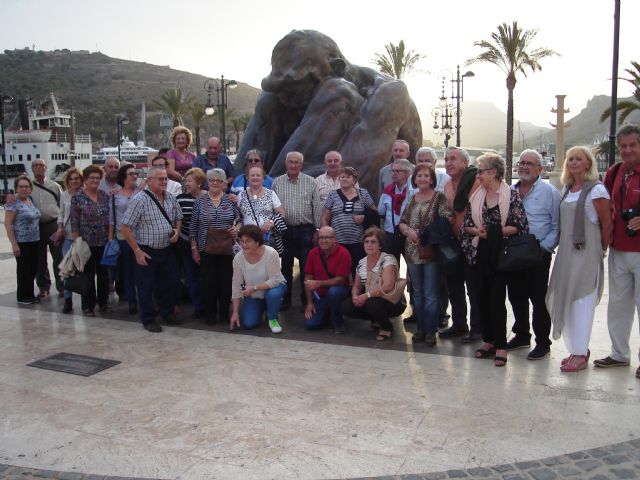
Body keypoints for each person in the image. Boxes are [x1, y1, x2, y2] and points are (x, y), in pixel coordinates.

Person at [235, 29, 422, 195]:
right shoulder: (277, 100)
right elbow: (239, 176)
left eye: (297, 88)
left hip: (364, 203)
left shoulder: (388, 95)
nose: (287, 99)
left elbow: (350, 177)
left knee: (337, 92)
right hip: (290, 195)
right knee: (268, 99)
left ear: (337, 68)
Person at [545, 147, 612, 372]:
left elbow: (607, 224)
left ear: (588, 164)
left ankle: (581, 353)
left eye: (578, 159)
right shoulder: (566, 189)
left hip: (586, 254)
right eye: (570, 158)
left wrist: (600, 250)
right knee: (569, 300)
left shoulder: (597, 191)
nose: (573, 162)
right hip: (566, 253)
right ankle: (576, 349)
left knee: (582, 300)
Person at [462, 153, 528, 367]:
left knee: (497, 300)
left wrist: (494, 232)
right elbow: (467, 225)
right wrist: (478, 232)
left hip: (501, 253)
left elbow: (518, 225)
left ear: (493, 172)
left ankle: (501, 344)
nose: (477, 175)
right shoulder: (476, 195)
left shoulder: (511, 196)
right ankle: (488, 340)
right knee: (480, 297)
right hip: (479, 251)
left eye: (480, 170)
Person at [506, 149, 560, 360]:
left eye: (530, 163)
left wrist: (544, 248)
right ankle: (521, 335)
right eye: (522, 163)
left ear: (540, 168)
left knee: (538, 300)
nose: (524, 167)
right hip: (513, 253)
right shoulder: (510, 190)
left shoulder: (550, 193)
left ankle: (543, 343)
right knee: (516, 297)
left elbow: (556, 226)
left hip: (538, 254)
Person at [596, 125, 640, 378]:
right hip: (619, 248)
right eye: (623, 146)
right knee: (619, 304)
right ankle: (619, 353)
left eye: (632, 145)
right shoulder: (615, 172)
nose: (627, 150)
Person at [121, 166, 183, 333]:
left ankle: (166, 312)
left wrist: (177, 230)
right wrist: (137, 251)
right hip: (147, 250)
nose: (164, 181)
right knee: (146, 287)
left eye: (165, 178)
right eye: (160, 178)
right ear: (149, 181)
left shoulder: (170, 198)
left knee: (168, 284)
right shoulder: (139, 200)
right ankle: (148, 319)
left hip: (167, 249)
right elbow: (126, 227)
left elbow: (178, 218)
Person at [398, 163, 453, 346]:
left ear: (432, 179)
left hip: (430, 252)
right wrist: (408, 232)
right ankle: (420, 329)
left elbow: (448, 219)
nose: (422, 179)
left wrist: (428, 232)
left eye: (426, 176)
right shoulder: (413, 198)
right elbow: (403, 221)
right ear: (414, 179)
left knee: (430, 294)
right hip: (412, 251)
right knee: (418, 293)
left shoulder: (439, 198)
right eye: (419, 176)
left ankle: (430, 330)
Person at [441, 147, 481, 342]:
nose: (448, 162)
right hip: (453, 243)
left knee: (473, 287)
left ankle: (478, 328)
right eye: (446, 159)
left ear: (465, 162)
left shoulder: (477, 181)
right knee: (454, 286)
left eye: (453, 159)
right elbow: (447, 211)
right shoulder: (447, 185)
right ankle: (459, 324)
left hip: (474, 243)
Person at [272, 151, 322, 310]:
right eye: (291, 162)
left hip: (306, 230)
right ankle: (286, 299)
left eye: (297, 162)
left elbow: (317, 207)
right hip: (285, 230)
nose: (293, 165)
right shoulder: (277, 182)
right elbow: (272, 206)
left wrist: (318, 229)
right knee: (285, 266)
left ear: (302, 164)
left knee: (306, 267)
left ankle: (305, 299)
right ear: (286, 163)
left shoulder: (310, 182)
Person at [190, 168, 239, 325]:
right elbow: (193, 227)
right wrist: (194, 248)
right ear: (207, 182)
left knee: (226, 283)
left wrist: (236, 228)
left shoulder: (231, 200)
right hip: (206, 248)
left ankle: (224, 314)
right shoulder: (200, 202)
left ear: (224, 183)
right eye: (212, 180)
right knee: (208, 283)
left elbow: (239, 220)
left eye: (219, 180)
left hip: (227, 249)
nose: (215, 183)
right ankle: (210, 315)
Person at [340, 227, 405, 341]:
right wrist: (355, 296)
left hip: (393, 301)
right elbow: (357, 285)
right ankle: (376, 319)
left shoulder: (387, 259)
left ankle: (386, 327)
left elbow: (388, 286)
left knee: (372, 303)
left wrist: (365, 296)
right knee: (347, 306)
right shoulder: (361, 262)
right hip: (373, 298)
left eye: (373, 242)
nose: (369, 245)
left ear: (380, 245)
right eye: (366, 242)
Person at [69, 165, 111, 317]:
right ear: (85, 180)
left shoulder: (104, 196)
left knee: (104, 274)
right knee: (87, 275)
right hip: (86, 243)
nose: (95, 180)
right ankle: (88, 306)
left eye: (98, 178)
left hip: (103, 241)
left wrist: (110, 239)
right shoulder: (78, 198)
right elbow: (74, 222)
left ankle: (104, 303)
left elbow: (110, 220)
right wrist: (77, 242)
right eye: (91, 177)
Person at [230, 225, 287, 333]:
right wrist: (235, 312)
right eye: (241, 241)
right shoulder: (238, 258)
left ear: (257, 242)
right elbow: (236, 284)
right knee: (249, 323)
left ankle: (272, 318)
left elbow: (275, 280)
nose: (243, 245)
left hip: (274, 287)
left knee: (273, 294)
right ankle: (266, 306)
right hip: (254, 293)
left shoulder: (271, 253)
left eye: (248, 241)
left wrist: (254, 288)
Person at [322, 166, 377, 275]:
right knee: (339, 271)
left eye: (348, 177)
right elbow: (325, 217)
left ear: (354, 180)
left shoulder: (363, 193)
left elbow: (374, 213)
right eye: (342, 177)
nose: (344, 179)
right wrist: (324, 234)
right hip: (337, 241)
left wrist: (364, 217)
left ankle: (356, 291)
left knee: (357, 270)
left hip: (358, 241)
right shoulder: (333, 195)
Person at [303, 226, 351, 332]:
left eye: (327, 237)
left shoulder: (344, 253)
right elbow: (308, 280)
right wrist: (309, 303)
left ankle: (337, 322)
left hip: (339, 292)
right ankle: (328, 314)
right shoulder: (313, 253)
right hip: (320, 296)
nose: (323, 240)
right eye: (321, 238)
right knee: (310, 324)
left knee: (334, 292)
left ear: (335, 238)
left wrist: (319, 284)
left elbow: (340, 280)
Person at [4, 175, 41, 304]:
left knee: (32, 269)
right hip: (22, 242)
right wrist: (14, 244)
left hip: (35, 240)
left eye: (26, 186)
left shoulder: (30, 200)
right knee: (24, 270)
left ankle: (30, 293)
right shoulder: (13, 203)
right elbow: (8, 224)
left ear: (30, 189)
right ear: (16, 188)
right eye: (21, 187)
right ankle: (23, 296)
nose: (24, 189)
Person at [108, 164, 139, 315]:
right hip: (122, 235)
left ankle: (142, 298)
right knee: (127, 269)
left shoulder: (141, 192)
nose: (135, 175)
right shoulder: (115, 194)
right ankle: (131, 300)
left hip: (139, 235)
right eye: (131, 173)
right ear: (124, 176)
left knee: (141, 268)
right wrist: (110, 238)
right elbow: (111, 219)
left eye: (135, 173)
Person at [30, 158, 63, 298]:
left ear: (45, 167)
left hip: (52, 224)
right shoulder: (28, 186)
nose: (39, 168)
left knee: (58, 256)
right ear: (32, 168)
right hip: (36, 226)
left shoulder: (54, 186)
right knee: (39, 258)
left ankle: (62, 286)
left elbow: (62, 205)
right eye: (36, 165)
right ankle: (44, 287)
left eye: (41, 165)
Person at [176, 168, 207, 318]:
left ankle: (210, 304)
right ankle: (198, 306)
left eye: (190, 181)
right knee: (192, 276)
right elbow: (178, 220)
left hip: (207, 244)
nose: (186, 184)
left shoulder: (208, 197)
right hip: (187, 243)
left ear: (199, 183)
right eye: (185, 181)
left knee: (207, 276)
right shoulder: (180, 198)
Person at [55, 167, 83, 313]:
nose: (74, 181)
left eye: (77, 178)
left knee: (84, 268)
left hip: (83, 237)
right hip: (67, 236)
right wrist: (60, 227)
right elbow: (61, 213)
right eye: (71, 179)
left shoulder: (86, 194)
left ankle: (87, 297)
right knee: (67, 269)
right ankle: (67, 299)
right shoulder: (64, 195)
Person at [378, 158, 415, 263]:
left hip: (409, 233)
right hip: (391, 234)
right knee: (391, 266)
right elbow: (381, 212)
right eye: (392, 171)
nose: (394, 174)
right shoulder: (387, 191)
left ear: (407, 173)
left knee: (412, 266)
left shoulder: (413, 191)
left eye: (397, 171)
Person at [237, 165, 285, 236]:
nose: (255, 177)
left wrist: (271, 222)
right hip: (247, 237)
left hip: (267, 236)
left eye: (258, 175)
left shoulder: (271, 194)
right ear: (247, 178)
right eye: (252, 175)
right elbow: (237, 217)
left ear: (263, 178)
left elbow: (282, 214)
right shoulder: (241, 195)